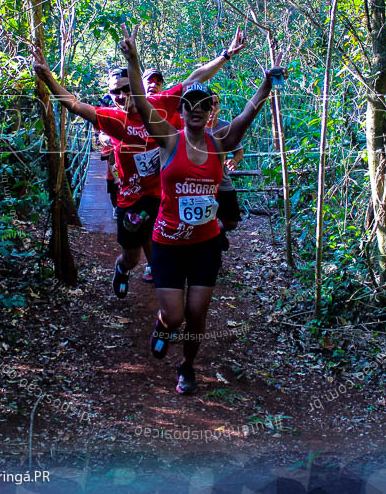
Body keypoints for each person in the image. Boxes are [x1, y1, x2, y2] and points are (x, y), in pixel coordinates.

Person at [118, 25, 280, 395]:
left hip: (205, 242)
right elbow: (142, 105)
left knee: (196, 315)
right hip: (169, 242)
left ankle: (187, 366)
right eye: (188, 104)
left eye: (202, 105)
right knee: (174, 316)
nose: (194, 110)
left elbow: (247, 116)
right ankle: (162, 325)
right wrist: (133, 61)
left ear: (209, 112)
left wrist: (266, 85)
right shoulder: (168, 138)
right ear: (182, 110)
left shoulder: (219, 140)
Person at [29, 29, 246, 299]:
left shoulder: (160, 104)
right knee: (130, 258)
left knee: (162, 258)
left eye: (125, 89)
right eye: (114, 92)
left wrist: (225, 55)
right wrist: (48, 78)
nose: (120, 96)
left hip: (163, 195)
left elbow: (195, 78)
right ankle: (122, 269)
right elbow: (74, 105)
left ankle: (170, 313)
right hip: (132, 199)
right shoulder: (113, 119)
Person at [207, 93, 245, 250]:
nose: (212, 108)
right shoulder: (194, 127)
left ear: (219, 106)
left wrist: (234, 161)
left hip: (223, 182)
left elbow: (239, 151)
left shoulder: (225, 127)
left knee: (231, 222)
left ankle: (217, 233)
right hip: (201, 186)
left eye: (215, 103)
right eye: (208, 104)